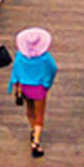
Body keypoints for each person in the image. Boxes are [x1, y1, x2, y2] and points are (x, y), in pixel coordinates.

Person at [9, 26, 57, 158]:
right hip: (39, 89)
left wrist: (16, 87)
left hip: (25, 87)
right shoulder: (45, 58)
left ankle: (32, 130)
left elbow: (15, 73)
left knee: (30, 111)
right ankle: (36, 141)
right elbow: (53, 68)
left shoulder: (20, 57)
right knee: (39, 115)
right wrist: (46, 83)